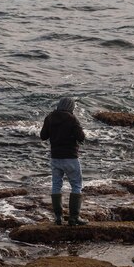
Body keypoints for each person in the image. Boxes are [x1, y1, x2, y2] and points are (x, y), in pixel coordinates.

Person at [40, 97, 88, 226]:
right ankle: (74, 218)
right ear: (71, 107)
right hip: (70, 157)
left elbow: (43, 136)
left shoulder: (50, 117)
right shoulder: (72, 119)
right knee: (77, 185)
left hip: (55, 158)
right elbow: (81, 137)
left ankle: (58, 217)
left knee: (56, 185)